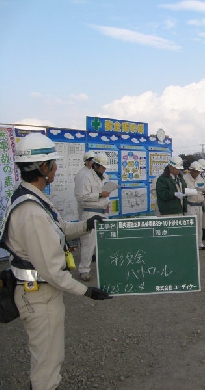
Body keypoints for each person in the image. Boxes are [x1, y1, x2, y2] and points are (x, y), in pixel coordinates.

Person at [0, 133, 111, 390]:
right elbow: (52, 271)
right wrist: (86, 291)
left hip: (40, 292)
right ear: (43, 167)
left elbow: (60, 227)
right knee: (47, 367)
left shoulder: (33, 198)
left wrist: (86, 225)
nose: (56, 167)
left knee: (49, 360)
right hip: (39, 296)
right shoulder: (31, 211)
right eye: (53, 162)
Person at [78, 152, 111, 281]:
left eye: (105, 168)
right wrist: (99, 195)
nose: (104, 170)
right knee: (88, 243)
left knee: (104, 242)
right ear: (95, 166)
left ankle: (104, 267)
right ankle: (84, 270)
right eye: (102, 167)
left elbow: (106, 193)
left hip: (103, 211)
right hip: (90, 212)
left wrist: (105, 197)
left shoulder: (105, 176)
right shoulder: (85, 177)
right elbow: (82, 197)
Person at [183, 161, 205, 250]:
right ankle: (190, 243)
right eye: (196, 171)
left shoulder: (201, 179)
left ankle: (199, 243)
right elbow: (182, 191)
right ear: (191, 170)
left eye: (198, 172)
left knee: (199, 224)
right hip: (190, 205)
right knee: (191, 225)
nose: (197, 173)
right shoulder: (185, 178)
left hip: (199, 205)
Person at [74, 150, 96, 220]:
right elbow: (79, 193)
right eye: (92, 160)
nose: (94, 162)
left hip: (92, 205)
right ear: (86, 162)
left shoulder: (92, 172)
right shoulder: (81, 174)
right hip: (85, 206)